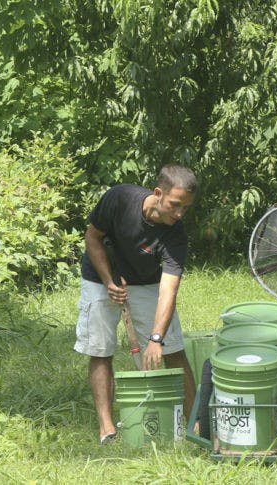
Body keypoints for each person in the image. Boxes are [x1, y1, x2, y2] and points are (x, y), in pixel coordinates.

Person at [74, 164, 198, 444]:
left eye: (186, 208)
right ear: (158, 193)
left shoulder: (175, 233)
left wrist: (156, 338)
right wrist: (108, 282)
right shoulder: (119, 199)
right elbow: (92, 237)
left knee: (173, 350)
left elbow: (169, 289)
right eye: (176, 205)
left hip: (147, 281)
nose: (179, 214)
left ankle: (194, 427)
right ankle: (107, 429)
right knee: (100, 349)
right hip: (100, 274)